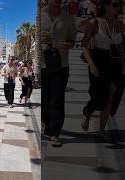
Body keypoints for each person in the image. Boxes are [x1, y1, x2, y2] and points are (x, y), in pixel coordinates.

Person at [81, 0, 125, 141]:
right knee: (99, 96)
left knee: (112, 94)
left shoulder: (119, 24)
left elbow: (120, 48)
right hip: (98, 60)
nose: (116, 8)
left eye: (118, 5)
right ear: (105, 6)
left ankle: (101, 131)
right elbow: (84, 46)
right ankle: (87, 112)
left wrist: (122, 65)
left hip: (113, 62)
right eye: (113, 5)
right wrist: (91, 64)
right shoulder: (94, 23)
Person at [41, 0, 77, 147]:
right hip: (42, 64)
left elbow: (72, 41)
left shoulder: (68, 18)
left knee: (57, 99)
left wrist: (63, 43)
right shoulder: (40, 16)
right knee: (44, 99)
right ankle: (44, 124)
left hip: (61, 64)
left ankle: (54, 133)